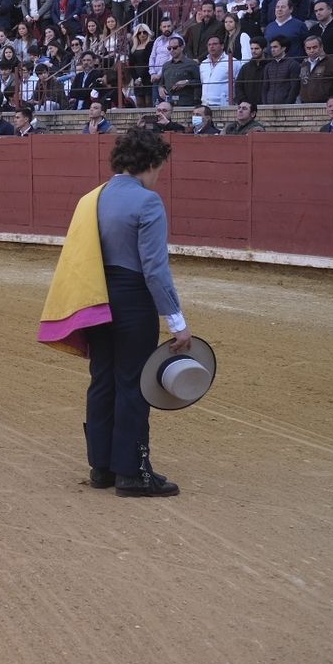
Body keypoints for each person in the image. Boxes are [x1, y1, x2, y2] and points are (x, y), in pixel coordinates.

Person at [85, 129, 189, 496]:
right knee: (132, 383)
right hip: (132, 300)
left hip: (95, 296)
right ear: (150, 162)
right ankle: (131, 472)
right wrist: (177, 321)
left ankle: (102, 467)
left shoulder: (94, 198)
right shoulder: (148, 202)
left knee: (103, 379)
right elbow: (155, 269)